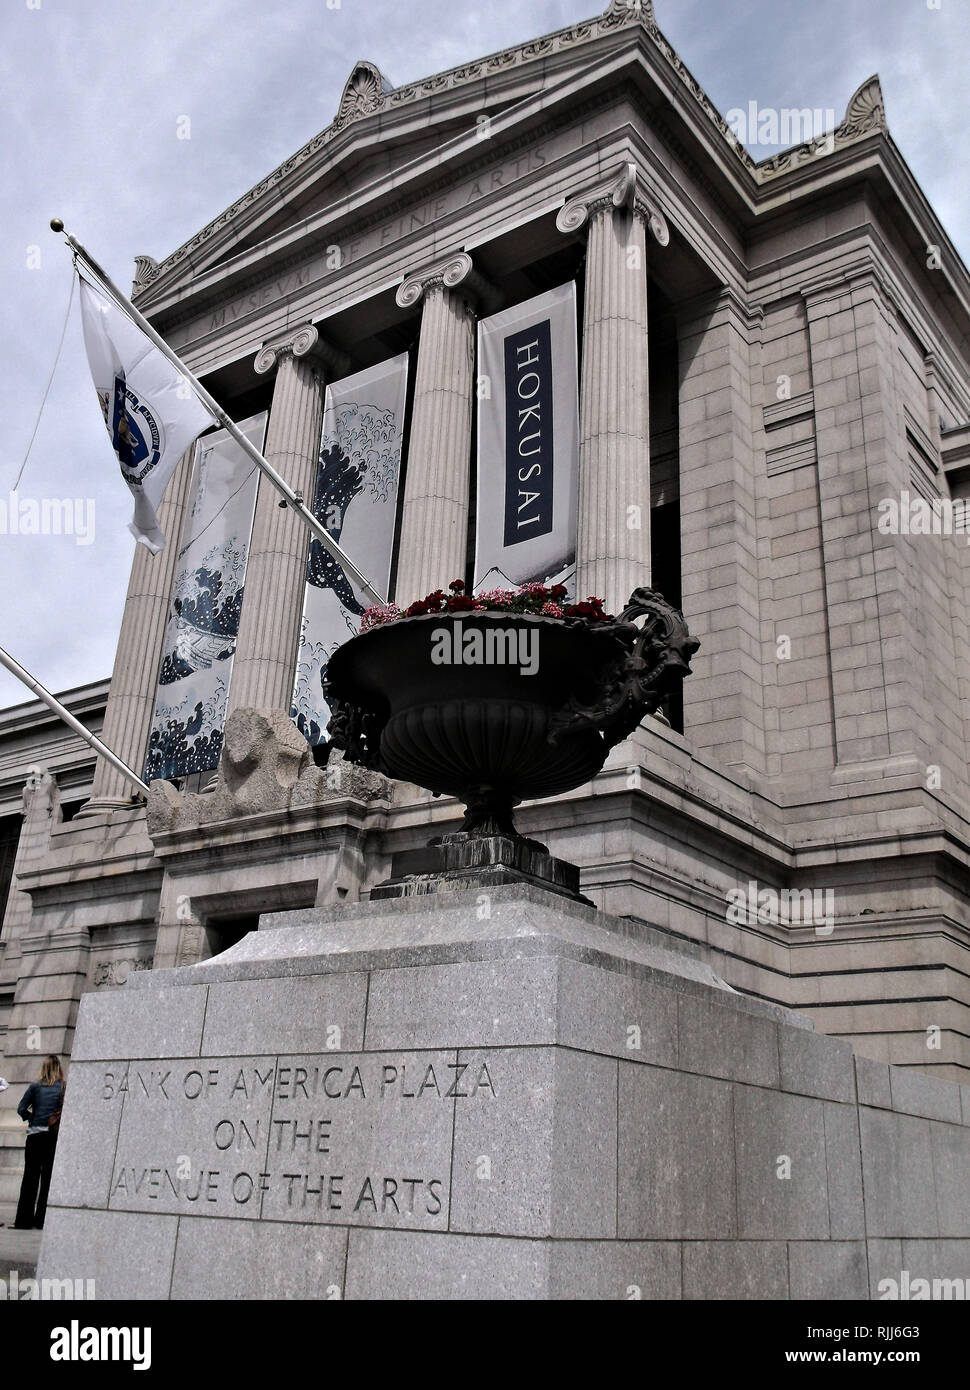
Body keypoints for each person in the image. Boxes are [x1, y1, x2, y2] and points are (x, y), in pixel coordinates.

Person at [14, 1055, 65, 1230]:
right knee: (47, 1178)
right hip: (52, 1137)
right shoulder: (63, 1088)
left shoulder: (35, 1087)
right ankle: (41, 1220)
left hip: (35, 1136)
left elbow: (21, 1109)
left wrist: (32, 1118)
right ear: (59, 1068)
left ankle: (23, 1220)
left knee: (30, 1178)